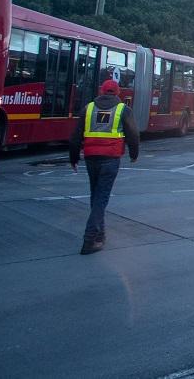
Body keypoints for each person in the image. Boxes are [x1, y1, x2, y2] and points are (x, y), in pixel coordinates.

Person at [69, 78, 140, 255]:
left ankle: (100, 234)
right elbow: (133, 134)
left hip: (91, 157)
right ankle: (90, 238)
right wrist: (134, 154)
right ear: (118, 93)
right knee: (101, 198)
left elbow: (76, 135)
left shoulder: (88, 108)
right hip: (111, 158)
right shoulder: (124, 109)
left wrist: (73, 157)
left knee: (95, 195)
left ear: (101, 91)